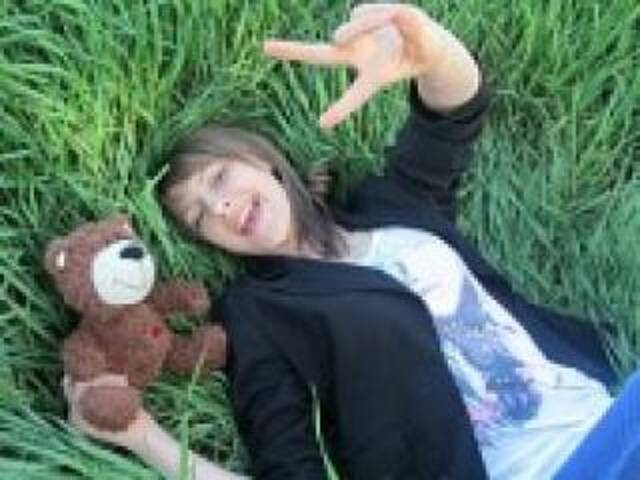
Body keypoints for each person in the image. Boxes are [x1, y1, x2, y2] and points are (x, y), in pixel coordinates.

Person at [62, 3, 633, 479]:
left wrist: (431, 52)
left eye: (219, 180)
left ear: (262, 161)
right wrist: (142, 435)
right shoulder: (259, 312)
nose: (222, 207)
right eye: (200, 216)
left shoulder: (389, 205)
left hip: (612, 413)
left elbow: (456, 113)